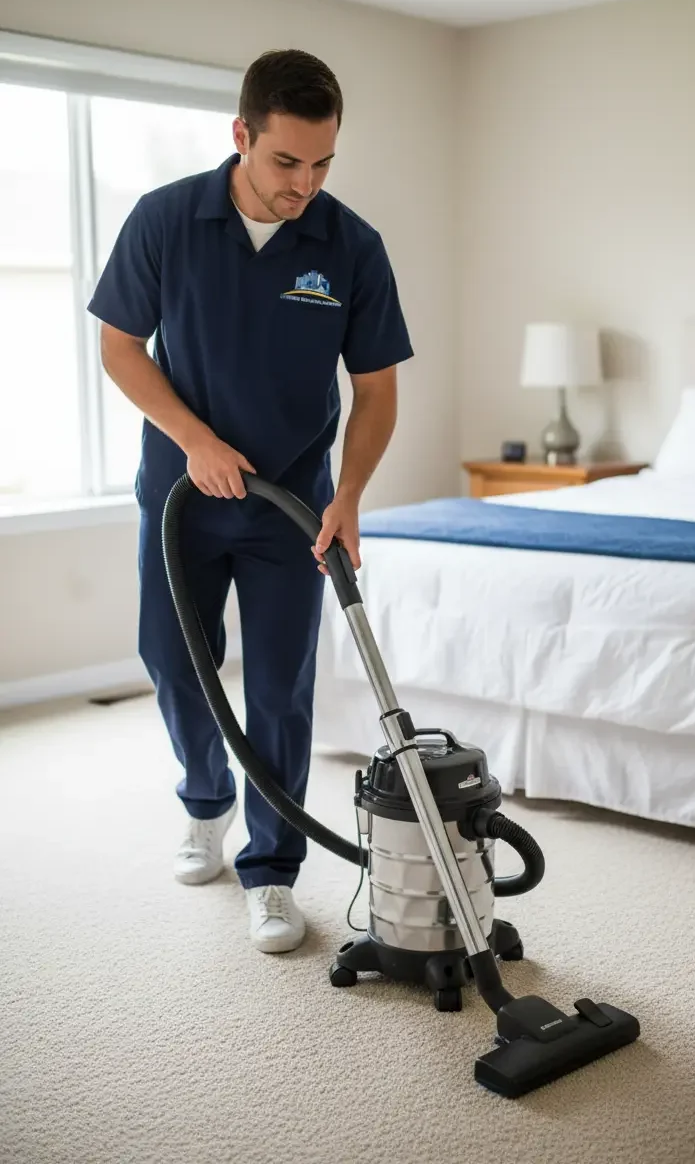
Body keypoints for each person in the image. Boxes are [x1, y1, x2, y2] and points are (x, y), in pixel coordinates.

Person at [87, 49, 413, 953]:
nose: (302, 184)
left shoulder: (350, 245)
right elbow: (120, 347)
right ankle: (205, 803)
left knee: (279, 692)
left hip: (291, 513)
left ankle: (270, 870)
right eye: (285, 162)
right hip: (180, 503)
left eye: (321, 164)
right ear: (242, 136)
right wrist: (194, 441)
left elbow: (376, 390)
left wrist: (349, 495)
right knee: (173, 663)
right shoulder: (165, 220)